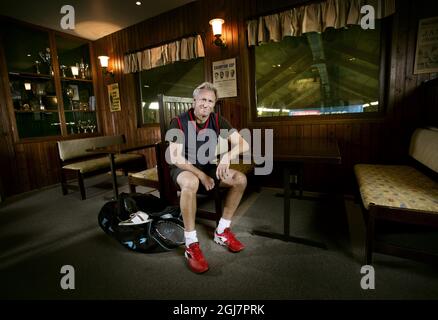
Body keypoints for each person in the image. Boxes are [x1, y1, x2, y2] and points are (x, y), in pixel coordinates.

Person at [166, 82, 249, 274]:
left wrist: (227, 156)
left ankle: (222, 231)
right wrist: (201, 175)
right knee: (191, 181)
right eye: (203, 99)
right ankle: (191, 243)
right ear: (194, 100)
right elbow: (176, 157)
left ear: (214, 104)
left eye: (210, 101)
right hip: (183, 168)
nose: (206, 104)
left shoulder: (217, 120)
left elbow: (243, 144)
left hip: (207, 165)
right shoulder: (177, 122)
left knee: (240, 180)